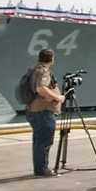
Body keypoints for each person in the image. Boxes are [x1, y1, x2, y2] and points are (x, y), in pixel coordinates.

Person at [26, 48, 64, 177]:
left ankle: (39, 169)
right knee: (45, 141)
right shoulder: (43, 71)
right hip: (43, 111)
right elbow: (41, 88)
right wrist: (58, 97)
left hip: (34, 110)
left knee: (38, 142)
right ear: (52, 59)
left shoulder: (34, 70)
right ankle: (43, 169)